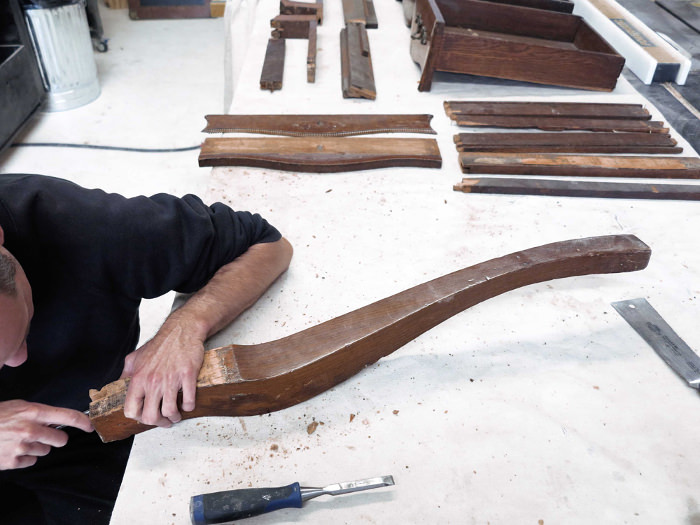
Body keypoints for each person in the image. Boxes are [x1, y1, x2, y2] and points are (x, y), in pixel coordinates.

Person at [0, 173, 293, 524]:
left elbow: (267, 245)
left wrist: (184, 325)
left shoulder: (79, 227)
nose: (18, 361)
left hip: (86, 439)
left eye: (21, 335)